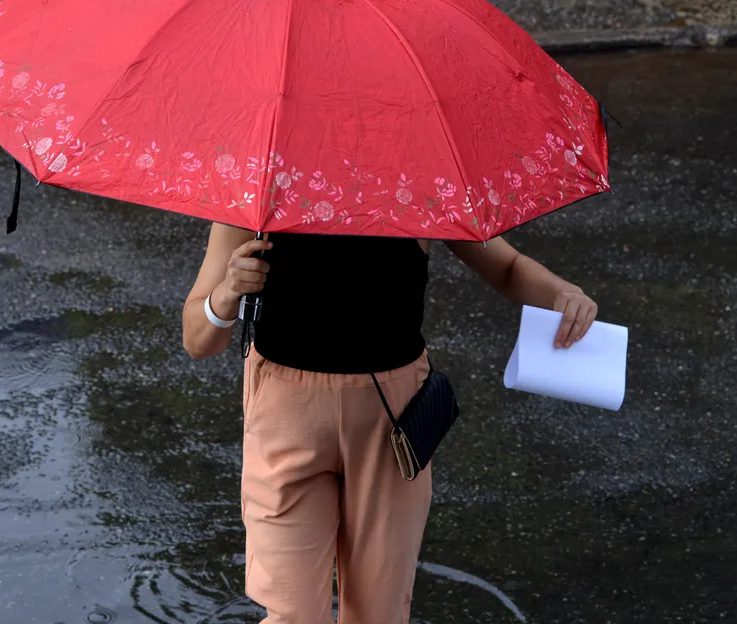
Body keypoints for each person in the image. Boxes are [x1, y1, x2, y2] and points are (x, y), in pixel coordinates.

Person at [182, 224, 597, 624]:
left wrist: (562, 293)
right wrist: (228, 293)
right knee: (292, 612)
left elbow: (507, 266)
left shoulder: (415, 186)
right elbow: (197, 340)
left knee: (379, 610)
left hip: (390, 420)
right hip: (287, 415)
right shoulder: (261, 191)